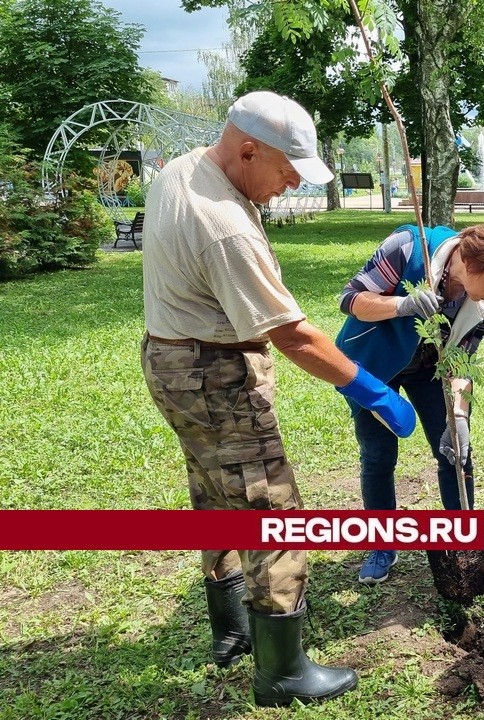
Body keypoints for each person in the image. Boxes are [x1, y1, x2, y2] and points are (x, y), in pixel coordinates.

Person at [140, 91, 417, 707]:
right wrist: (369, 388)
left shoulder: (184, 168)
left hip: (171, 360)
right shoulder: (224, 226)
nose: (291, 185)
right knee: (274, 510)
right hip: (214, 373)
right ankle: (283, 671)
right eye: (287, 171)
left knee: (216, 492)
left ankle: (231, 632)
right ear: (247, 150)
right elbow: (292, 334)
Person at [336, 222, 484, 584]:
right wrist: (401, 304)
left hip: (428, 368)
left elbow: (461, 361)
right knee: (378, 455)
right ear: (468, 261)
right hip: (374, 366)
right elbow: (349, 300)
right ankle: (381, 543)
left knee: (456, 450)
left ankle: (464, 540)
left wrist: (458, 416)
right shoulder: (408, 248)